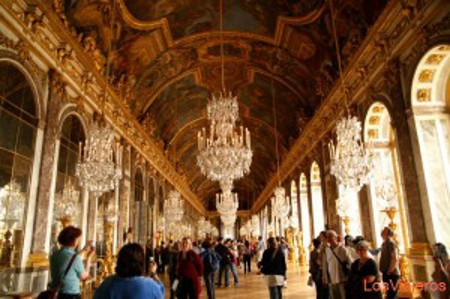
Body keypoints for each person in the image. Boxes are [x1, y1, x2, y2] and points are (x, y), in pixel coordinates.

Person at [94, 243, 165, 299]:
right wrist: (153, 273)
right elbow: (161, 292)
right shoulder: (150, 285)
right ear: (141, 263)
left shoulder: (107, 283)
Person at [49, 226, 94, 299]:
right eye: (78, 239)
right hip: (70, 294)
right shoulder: (75, 258)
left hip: (55, 293)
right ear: (74, 240)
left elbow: (70, 259)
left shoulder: (54, 254)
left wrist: (83, 250)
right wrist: (89, 258)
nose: (78, 241)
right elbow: (84, 277)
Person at [325, 230, 352, 299]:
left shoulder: (342, 249)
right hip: (332, 279)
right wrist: (326, 278)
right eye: (328, 237)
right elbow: (327, 264)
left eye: (331, 237)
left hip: (342, 278)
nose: (329, 239)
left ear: (335, 237)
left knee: (344, 296)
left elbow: (350, 262)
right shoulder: (327, 250)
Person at [379, 227, 400, 299]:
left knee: (392, 295)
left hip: (392, 273)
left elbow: (394, 258)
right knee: (389, 294)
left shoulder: (391, 243)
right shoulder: (384, 243)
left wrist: (389, 271)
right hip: (386, 272)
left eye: (384, 231)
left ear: (388, 234)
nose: (382, 232)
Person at [319, 231, 331, 299]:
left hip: (327, 269)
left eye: (321, 236)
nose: (320, 238)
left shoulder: (327, 246)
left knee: (327, 290)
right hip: (323, 268)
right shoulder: (322, 245)